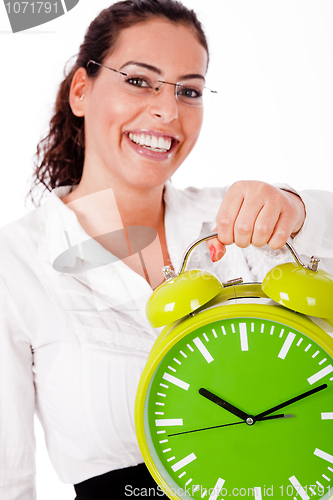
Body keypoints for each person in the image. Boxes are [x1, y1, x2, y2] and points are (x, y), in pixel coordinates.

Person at [0, 0, 332, 499]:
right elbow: (8, 476)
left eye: (189, 91)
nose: (167, 110)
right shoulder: (18, 261)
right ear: (82, 91)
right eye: (139, 80)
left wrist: (295, 208)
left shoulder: (237, 224)